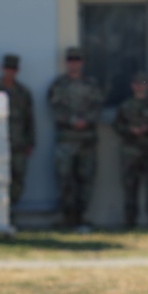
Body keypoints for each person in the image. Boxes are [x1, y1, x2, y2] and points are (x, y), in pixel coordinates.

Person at [47, 47, 103, 230]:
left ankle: (82, 218)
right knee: (65, 180)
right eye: (71, 59)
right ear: (67, 62)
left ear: (82, 62)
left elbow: (98, 107)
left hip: (87, 140)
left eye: (77, 59)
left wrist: (86, 120)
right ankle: (67, 218)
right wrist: (72, 121)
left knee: (86, 180)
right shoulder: (59, 85)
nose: (74, 63)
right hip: (66, 140)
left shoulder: (91, 84)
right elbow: (55, 108)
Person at [0, 53, 35, 208]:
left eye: (13, 68)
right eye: (7, 68)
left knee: (17, 178)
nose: (10, 71)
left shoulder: (23, 92)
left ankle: (11, 212)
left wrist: (30, 142)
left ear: (17, 70)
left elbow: (30, 119)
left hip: (18, 143)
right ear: (3, 69)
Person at [114, 72, 148, 229]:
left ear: (147, 85)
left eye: (143, 83)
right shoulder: (126, 105)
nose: (140, 86)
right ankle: (130, 222)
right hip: (130, 151)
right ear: (132, 86)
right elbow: (117, 125)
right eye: (137, 83)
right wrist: (130, 129)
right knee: (130, 187)